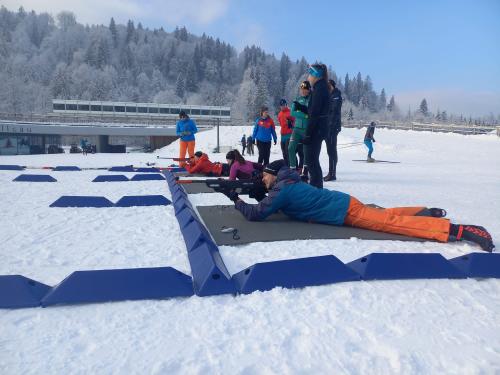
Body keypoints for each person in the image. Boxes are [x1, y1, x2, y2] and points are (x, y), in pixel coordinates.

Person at [223, 160, 495, 252]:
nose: (263, 179)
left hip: (345, 211)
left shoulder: (282, 189)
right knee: (385, 215)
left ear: (274, 174)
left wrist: (235, 199)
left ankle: (458, 231)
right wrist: (260, 194)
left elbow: (260, 214)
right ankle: (423, 211)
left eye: (265, 176)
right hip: (345, 202)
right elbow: (275, 205)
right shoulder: (287, 183)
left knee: (389, 224)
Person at [304, 63, 330, 188]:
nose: (308, 77)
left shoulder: (320, 88)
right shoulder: (320, 87)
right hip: (318, 129)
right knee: (312, 161)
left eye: (310, 74)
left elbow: (314, 113)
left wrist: (308, 133)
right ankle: (316, 189)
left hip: (316, 130)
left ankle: (316, 191)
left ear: (316, 75)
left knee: (311, 161)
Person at [289, 80, 311, 178]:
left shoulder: (311, 99)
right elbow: (292, 113)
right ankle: (293, 170)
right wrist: (304, 115)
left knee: (306, 150)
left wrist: (303, 113)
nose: (303, 91)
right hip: (296, 128)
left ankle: (305, 171)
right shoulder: (297, 99)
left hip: (306, 128)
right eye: (301, 89)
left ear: (308, 90)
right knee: (290, 148)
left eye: (305, 89)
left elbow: (310, 113)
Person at [324, 79, 343, 181]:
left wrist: (330, 126)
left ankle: (332, 174)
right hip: (328, 127)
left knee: (332, 150)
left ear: (331, 86)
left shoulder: (336, 96)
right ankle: (330, 173)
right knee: (329, 150)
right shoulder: (331, 96)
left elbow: (334, 112)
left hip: (333, 127)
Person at [277, 99, 294, 166]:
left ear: (286, 105)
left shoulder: (291, 112)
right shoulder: (279, 114)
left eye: (284, 105)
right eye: (281, 105)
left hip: (289, 134)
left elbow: (296, 122)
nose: (282, 107)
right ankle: (287, 167)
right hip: (282, 135)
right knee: (284, 153)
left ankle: (293, 167)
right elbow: (281, 123)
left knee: (289, 152)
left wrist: (291, 123)